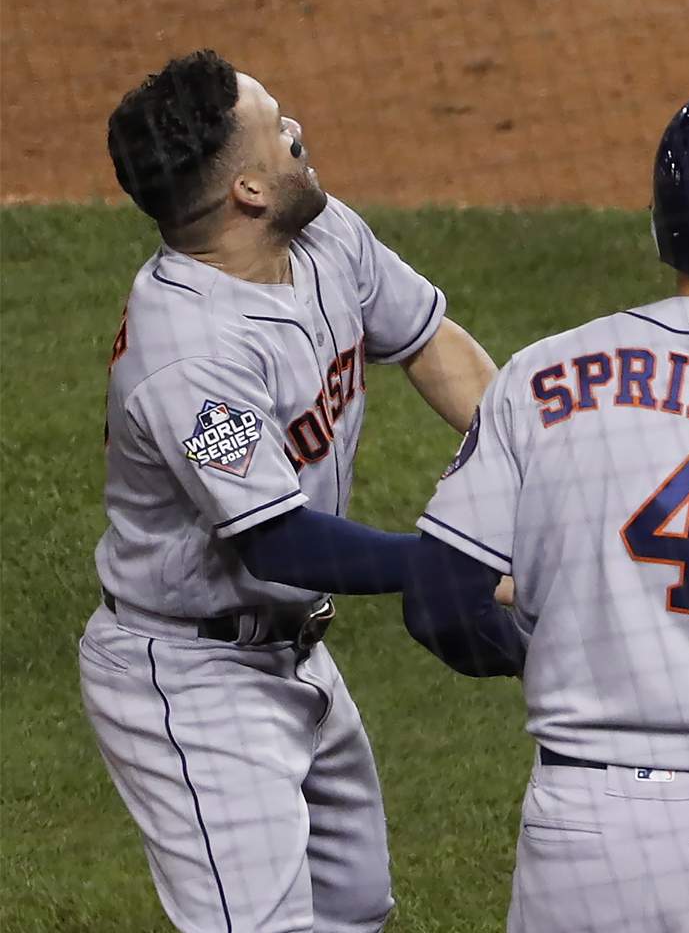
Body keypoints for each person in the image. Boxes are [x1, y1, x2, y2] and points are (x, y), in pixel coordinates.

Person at [256, 84, 689, 931]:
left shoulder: (540, 378)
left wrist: (550, 647)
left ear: (660, 223)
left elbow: (443, 602)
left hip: (578, 831)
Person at [84, 49, 498, 932]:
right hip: (193, 679)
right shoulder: (192, 357)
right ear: (248, 194)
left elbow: (430, 344)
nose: (299, 133)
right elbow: (280, 541)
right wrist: (453, 560)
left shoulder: (319, 232)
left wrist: (531, 465)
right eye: (278, 130)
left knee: (353, 905)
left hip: (293, 652)